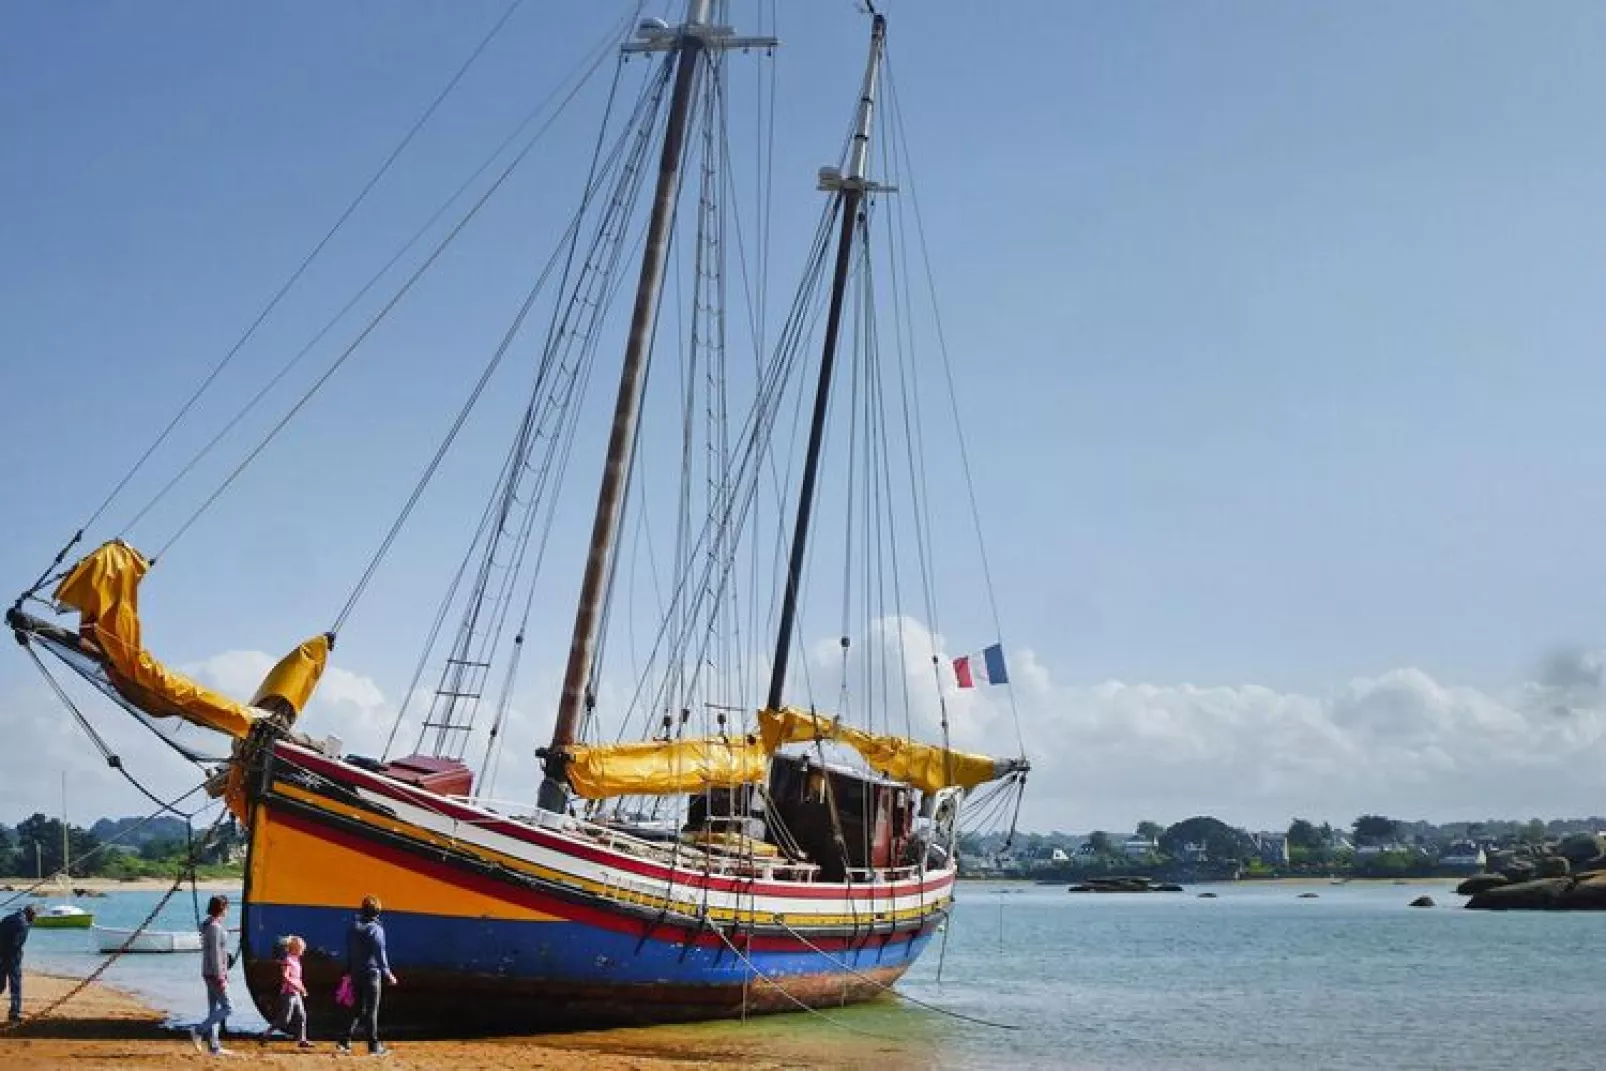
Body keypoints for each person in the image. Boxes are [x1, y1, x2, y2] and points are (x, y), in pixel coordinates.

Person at [337, 895, 397, 1056]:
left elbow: (350, 951)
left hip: (356, 973)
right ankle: (373, 1046)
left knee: (356, 1010)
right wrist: (388, 973)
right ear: (377, 912)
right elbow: (380, 953)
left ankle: (344, 1042)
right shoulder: (376, 929)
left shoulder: (353, 928)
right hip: (371, 974)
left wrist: (348, 971)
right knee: (372, 1011)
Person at [190, 895, 234, 1056]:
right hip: (214, 974)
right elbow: (215, 953)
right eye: (227, 907)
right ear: (222, 908)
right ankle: (198, 1030)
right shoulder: (214, 928)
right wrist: (220, 976)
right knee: (229, 1008)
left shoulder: (210, 925)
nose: (228, 910)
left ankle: (214, 1047)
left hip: (210, 972)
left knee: (214, 1009)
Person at [269, 935, 310, 1048]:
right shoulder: (287, 960)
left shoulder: (297, 960)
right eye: (302, 949)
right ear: (295, 949)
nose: (303, 951)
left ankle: (302, 1040)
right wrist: (296, 985)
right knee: (285, 1019)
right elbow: (285, 977)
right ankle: (268, 1032)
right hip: (288, 993)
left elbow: (298, 978)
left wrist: (303, 989)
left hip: (296, 993)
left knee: (302, 1015)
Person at [0, 905, 37, 1023]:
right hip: (12, 959)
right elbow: (17, 944)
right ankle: (14, 1013)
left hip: (0, 955)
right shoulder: (24, 925)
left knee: (0, 985)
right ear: (31, 915)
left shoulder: (7, 918)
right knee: (15, 987)